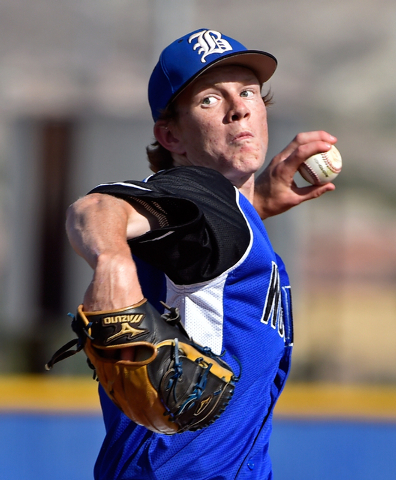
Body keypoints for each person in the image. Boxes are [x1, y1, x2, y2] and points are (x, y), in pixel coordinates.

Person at [66, 28, 336, 480]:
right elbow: (96, 208)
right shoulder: (203, 194)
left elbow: (209, 245)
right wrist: (111, 263)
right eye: (210, 99)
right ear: (170, 136)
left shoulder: (229, 218)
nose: (239, 108)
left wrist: (258, 204)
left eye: (248, 91)